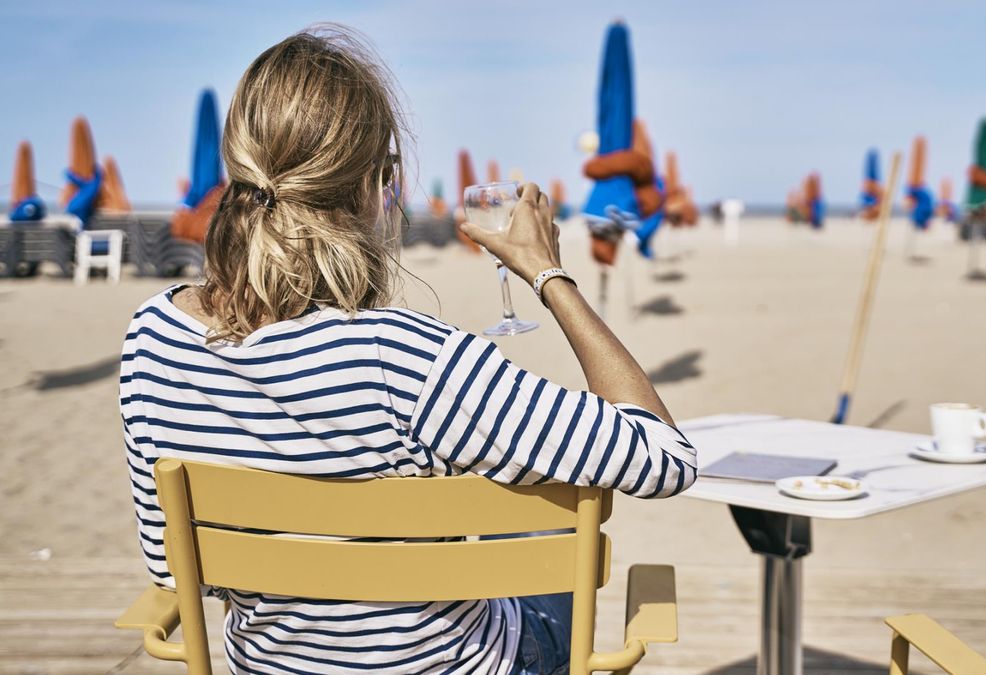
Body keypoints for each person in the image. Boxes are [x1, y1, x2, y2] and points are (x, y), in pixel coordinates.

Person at [120, 26, 696, 674]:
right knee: (542, 524)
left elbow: (175, 571)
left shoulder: (152, 337)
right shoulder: (405, 360)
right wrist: (547, 274)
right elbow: (663, 455)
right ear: (374, 184)